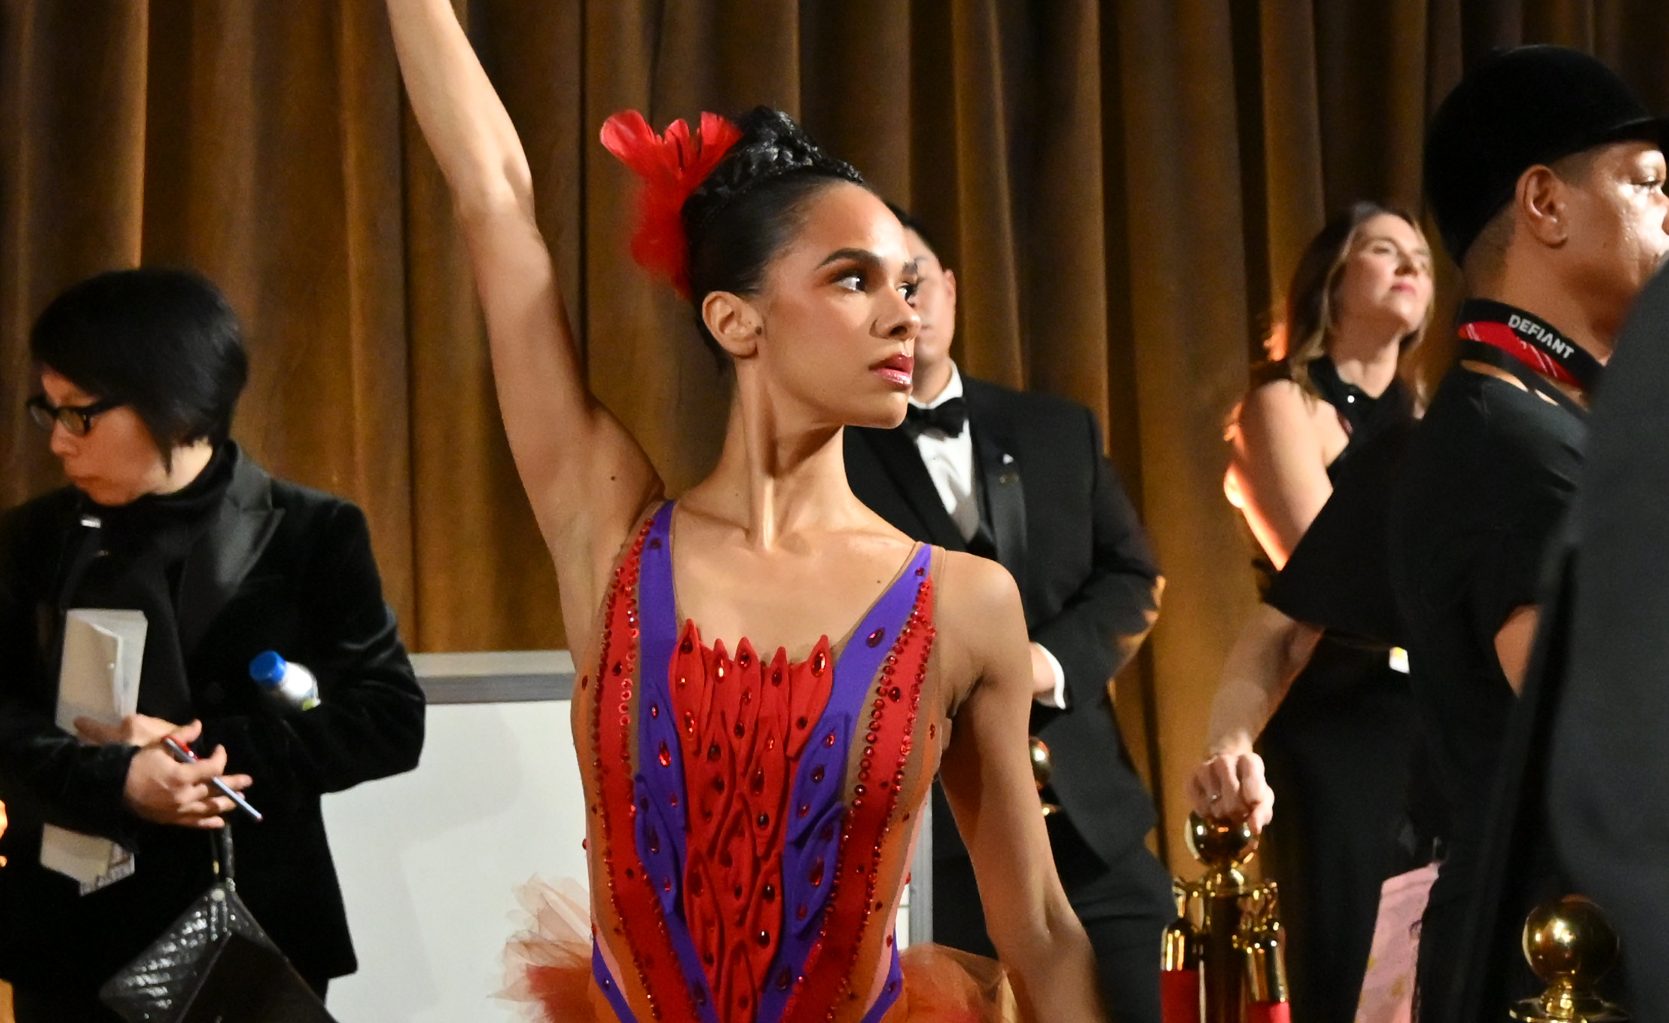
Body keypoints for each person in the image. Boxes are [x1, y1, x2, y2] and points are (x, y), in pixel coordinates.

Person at [382, 1, 1105, 1020]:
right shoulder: (614, 533)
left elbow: (1036, 924)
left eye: (906, 281)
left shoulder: (965, 602)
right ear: (735, 318)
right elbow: (494, 198)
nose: (905, 313)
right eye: (852, 280)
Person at [0, 267, 426, 1020]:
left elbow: (388, 718)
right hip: (68, 944)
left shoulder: (312, 532)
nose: (60, 442)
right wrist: (115, 778)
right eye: (50, 412)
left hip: (250, 936)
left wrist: (206, 758)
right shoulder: (31, 539)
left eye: (82, 415)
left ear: (176, 401)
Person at [1385, 45, 1668, 1021]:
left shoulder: (1536, 419)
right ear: (1544, 204)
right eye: (1647, 184)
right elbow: (1619, 746)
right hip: (1562, 970)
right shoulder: (1501, 437)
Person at [842, 206, 1170, 1021]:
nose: (903, 307)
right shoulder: (832, 455)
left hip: (1096, 826)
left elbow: (1131, 574)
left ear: (948, 289)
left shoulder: (1056, 426)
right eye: (869, 285)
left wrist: (1042, 665)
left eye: (914, 281)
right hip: (937, 845)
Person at [1188, 201, 1434, 1022]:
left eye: (1422, 258)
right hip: (1334, 714)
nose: (1410, 266)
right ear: (1331, 278)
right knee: (1348, 964)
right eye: (1382, 249)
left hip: (1427, 710)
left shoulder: (1435, 419)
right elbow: (1330, 563)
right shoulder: (1281, 404)